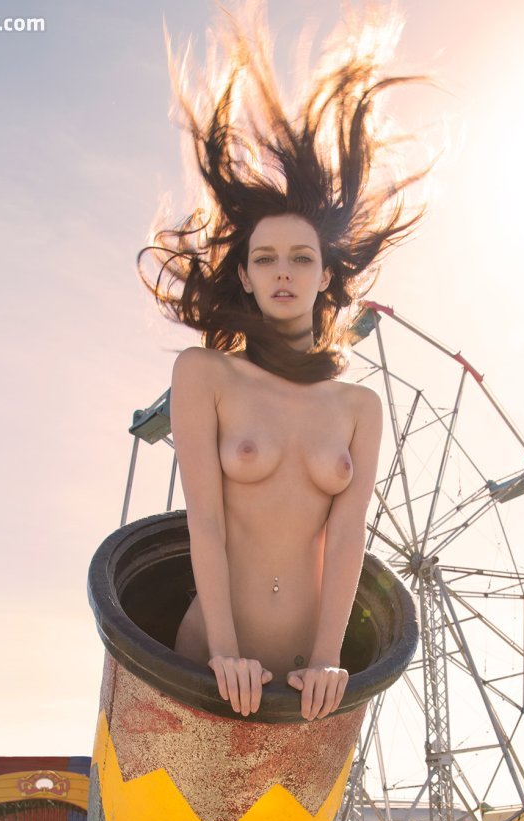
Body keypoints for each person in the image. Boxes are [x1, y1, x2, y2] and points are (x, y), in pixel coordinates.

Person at [139, 7, 429, 720]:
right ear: (243, 275)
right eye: (264, 258)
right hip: (205, 662)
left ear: (327, 276)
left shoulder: (359, 407)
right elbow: (204, 520)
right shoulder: (205, 374)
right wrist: (223, 653)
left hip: (308, 681)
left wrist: (329, 658)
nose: (282, 273)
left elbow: (346, 539)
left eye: (301, 258)